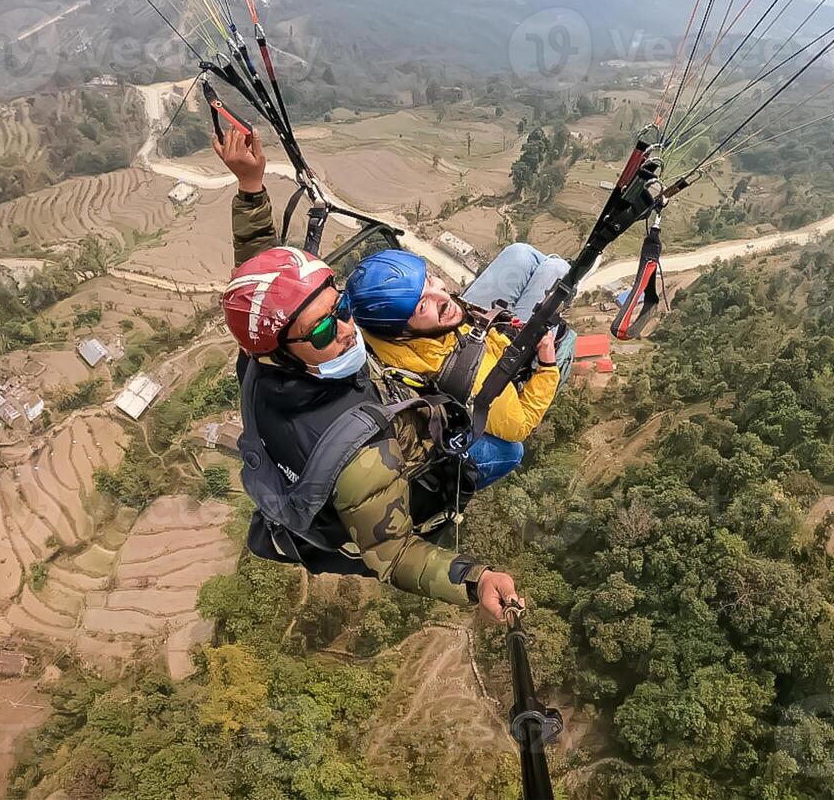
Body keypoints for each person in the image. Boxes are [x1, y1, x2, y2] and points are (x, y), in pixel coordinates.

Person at [215, 129, 520, 623]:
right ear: (283, 347)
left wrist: (251, 187)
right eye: (320, 330)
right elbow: (395, 555)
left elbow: (259, 282)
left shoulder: (260, 357)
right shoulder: (360, 460)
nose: (344, 329)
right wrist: (475, 578)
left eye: (339, 309)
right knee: (509, 448)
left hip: (363, 437)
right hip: (391, 475)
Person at [345, 247, 577, 487]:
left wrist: (434, 309)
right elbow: (520, 426)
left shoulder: (375, 328)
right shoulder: (470, 378)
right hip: (485, 362)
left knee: (522, 254)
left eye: (429, 280)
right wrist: (548, 363)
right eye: (423, 305)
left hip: (470, 333)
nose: (444, 296)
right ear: (402, 333)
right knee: (559, 274)